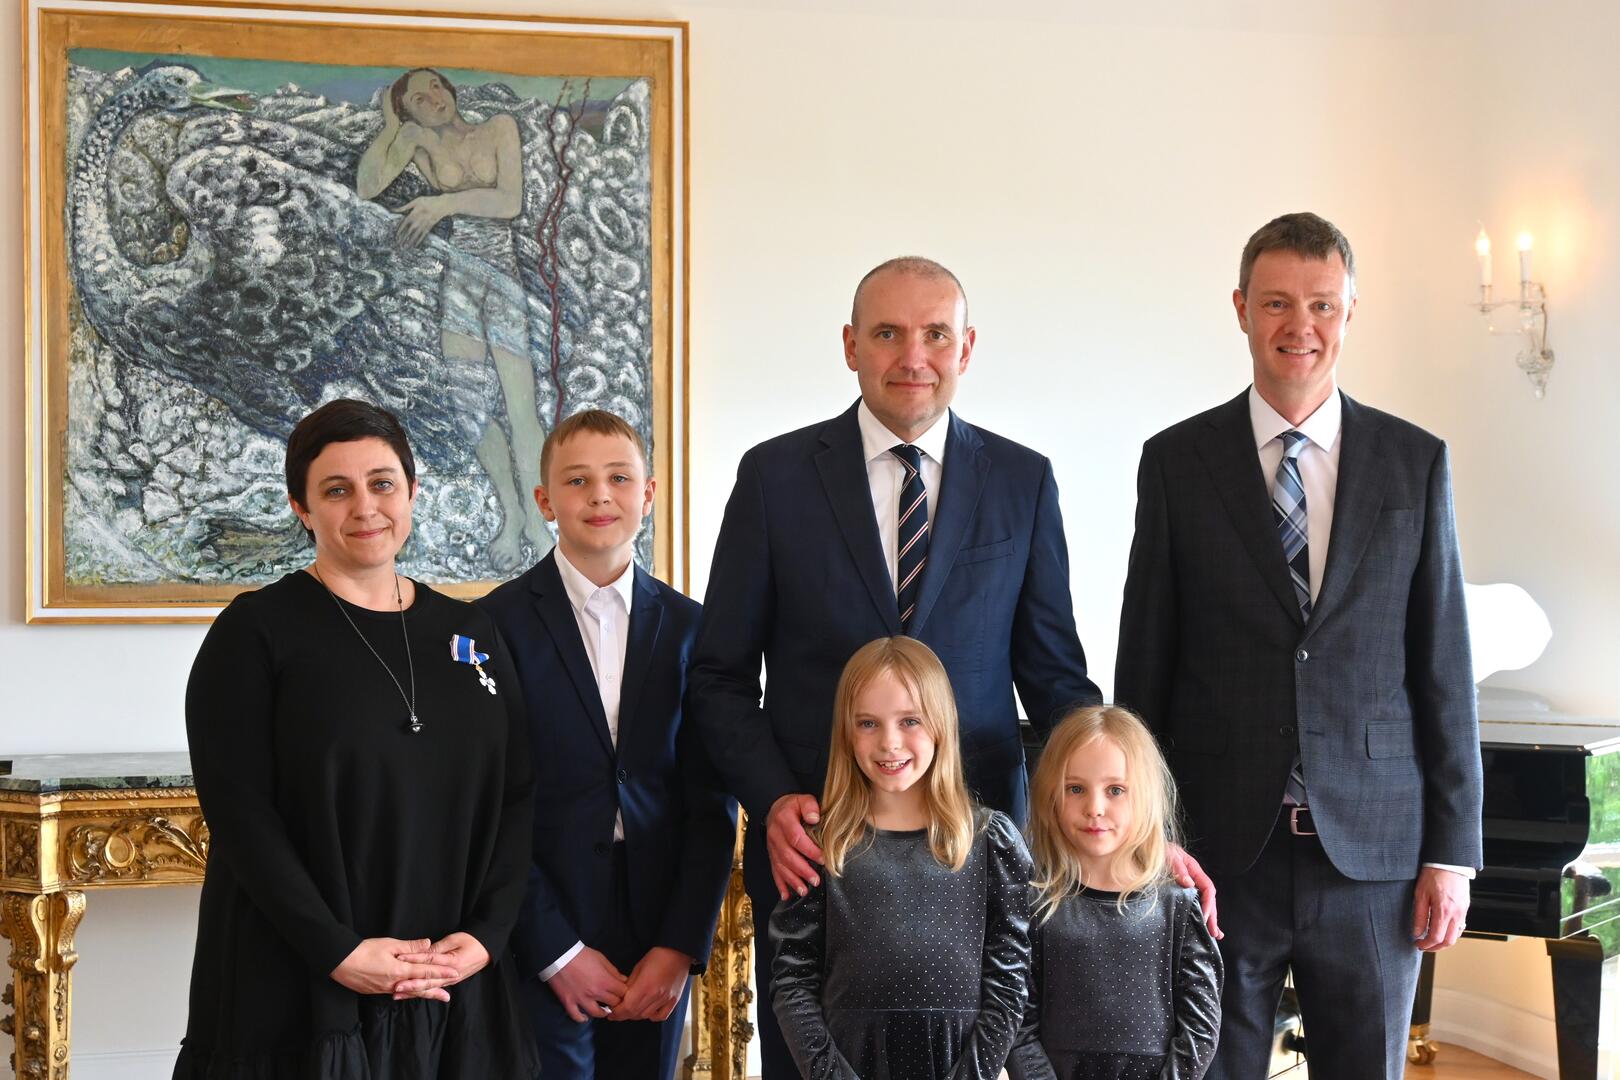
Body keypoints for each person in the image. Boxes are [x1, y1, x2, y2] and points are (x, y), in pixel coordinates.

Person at [692, 255, 1213, 1076]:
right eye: (887, 333)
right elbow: (717, 675)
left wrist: (1141, 828)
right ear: (850, 345)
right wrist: (773, 798)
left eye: (936, 334)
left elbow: (1057, 683)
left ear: (966, 348)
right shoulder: (774, 477)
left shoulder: (1023, 481)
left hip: (972, 864)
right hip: (821, 855)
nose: (913, 356)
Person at [1115, 212, 1482, 1079]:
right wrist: (1143, 834)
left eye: (1322, 304)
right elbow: (1145, 665)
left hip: (1374, 859)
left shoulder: (1414, 463)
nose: (1300, 325)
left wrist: (1451, 854)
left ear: (1350, 312)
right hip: (1216, 853)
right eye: (1277, 302)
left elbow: (1444, 669)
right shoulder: (1175, 462)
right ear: (1241, 309)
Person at [174, 398, 537, 1078]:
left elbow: (516, 797)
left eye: (382, 483)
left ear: (412, 491)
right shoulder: (254, 634)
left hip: (451, 981)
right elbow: (241, 820)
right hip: (301, 983)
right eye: (336, 490)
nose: (365, 507)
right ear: (301, 508)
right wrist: (337, 951)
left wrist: (486, 936)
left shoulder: (472, 632)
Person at [476, 409, 737, 1079]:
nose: (600, 496)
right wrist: (554, 950)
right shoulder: (492, 627)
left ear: (647, 496)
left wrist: (678, 946)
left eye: (619, 478)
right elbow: (487, 804)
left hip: (658, 918)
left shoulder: (692, 629)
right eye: (578, 481)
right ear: (545, 502)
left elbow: (711, 805)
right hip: (542, 916)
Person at [770, 637, 1032, 1079]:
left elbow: (1010, 980)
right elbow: (792, 979)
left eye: (909, 720)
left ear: (941, 724)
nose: (889, 743)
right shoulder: (820, 845)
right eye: (868, 723)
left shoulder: (991, 842)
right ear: (846, 732)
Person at [358, 67, 550, 572]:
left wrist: (441, 203)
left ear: (450, 89)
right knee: (470, 410)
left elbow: (508, 202)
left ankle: (536, 520)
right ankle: (511, 514)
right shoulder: (418, 143)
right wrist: (390, 129)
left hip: (503, 279)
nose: (433, 99)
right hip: (461, 280)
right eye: (418, 100)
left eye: (436, 88)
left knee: (521, 409)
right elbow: (367, 186)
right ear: (409, 114)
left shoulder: (499, 127)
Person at [1007, 705, 1222, 1080]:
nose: (1094, 808)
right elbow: (1018, 1019)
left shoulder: (1177, 904)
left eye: (1115, 790)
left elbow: (1200, 1026)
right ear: (1051, 796)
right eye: (1075, 789)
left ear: (1145, 795)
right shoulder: (1033, 903)